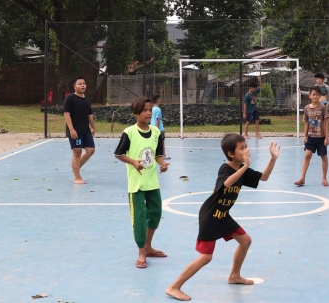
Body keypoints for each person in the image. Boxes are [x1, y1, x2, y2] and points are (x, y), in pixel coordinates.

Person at [165, 133, 280, 301]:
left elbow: (264, 177)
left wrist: (273, 159)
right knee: (206, 257)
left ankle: (234, 275)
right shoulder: (225, 168)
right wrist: (245, 167)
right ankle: (174, 287)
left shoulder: (243, 169)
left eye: (245, 146)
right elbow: (226, 183)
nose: (246, 149)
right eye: (241, 148)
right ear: (231, 154)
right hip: (211, 216)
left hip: (223, 215)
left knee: (245, 241)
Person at [114, 96, 170, 269]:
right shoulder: (129, 132)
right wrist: (133, 162)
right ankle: (141, 251)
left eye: (150, 110)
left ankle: (148, 245)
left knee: (155, 213)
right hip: (136, 184)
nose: (148, 113)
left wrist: (162, 164)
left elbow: (158, 154)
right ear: (136, 112)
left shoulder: (156, 132)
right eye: (145, 110)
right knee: (139, 217)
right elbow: (118, 153)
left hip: (152, 182)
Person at [294, 86, 329, 187]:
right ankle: (302, 178)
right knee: (307, 155)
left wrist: (327, 137)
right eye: (313, 94)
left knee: (323, 157)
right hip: (311, 137)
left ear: (320, 96)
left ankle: (324, 178)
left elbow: (327, 123)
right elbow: (306, 123)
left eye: (318, 95)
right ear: (310, 96)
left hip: (321, 137)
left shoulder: (322, 108)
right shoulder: (306, 108)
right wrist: (305, 136)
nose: (316, 96)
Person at [63, 77, 96, 184]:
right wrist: (71, 129)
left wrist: (93, 127)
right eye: (80, 84)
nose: (83, 85)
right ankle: (77, 177)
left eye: (84, 83)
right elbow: (66, 114)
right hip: (75, 131)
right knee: (77, 152)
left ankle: (75, 167)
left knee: (91, 150)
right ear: (74, 87)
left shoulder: (87, 98)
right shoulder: (70, 98)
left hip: (85, 130)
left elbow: (89, 114)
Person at [150, 94, 170, 159]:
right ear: (158, 100)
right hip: (159, 128)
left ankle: (154, 154)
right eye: (160, 99)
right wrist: (157, 129)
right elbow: (157, 119)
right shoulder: (158, 109)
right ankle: (163, 155)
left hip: (152, 127)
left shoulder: (152, 108)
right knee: (162, 142)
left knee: (154, 142)